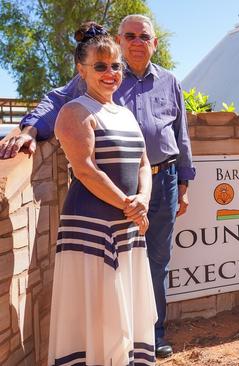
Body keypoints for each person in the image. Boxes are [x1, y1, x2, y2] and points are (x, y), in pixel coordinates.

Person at [1, 14, 194, 357]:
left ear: (154, 42)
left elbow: (180, 135)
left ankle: (151, 334)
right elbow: (56, 106)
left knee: (155, 261)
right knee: (104, 282)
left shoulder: (169, 81)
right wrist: (29, 128)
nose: (136, 42)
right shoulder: (90, 85)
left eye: (143, 36)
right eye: (130, 35)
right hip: (107, 203)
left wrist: (183, 180)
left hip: (159, 180)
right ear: (119, 40)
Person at [48, 22, 156, 365]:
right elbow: (85, 170)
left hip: (126, 224)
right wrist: (130, 206)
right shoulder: (75, 111)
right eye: (100, 66)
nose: (110, 73)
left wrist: (143, 201)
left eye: (115, 66)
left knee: (123, 308)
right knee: (96, 311)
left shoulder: (124, 113)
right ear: (82, 70)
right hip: (91, 227)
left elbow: (143, 163)